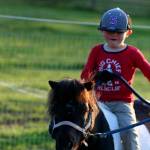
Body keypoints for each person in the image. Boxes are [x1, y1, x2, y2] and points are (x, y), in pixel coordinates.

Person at [80, 7, 150, 150]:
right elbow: (85, 76)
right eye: (109, 31)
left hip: (122, 104)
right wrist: (95, 76)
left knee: (130, 133)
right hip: (98, 103)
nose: (114, 35)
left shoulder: (133, 53)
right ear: (101, 31)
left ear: (128, 32)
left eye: (119, 32)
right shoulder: (96, 51)